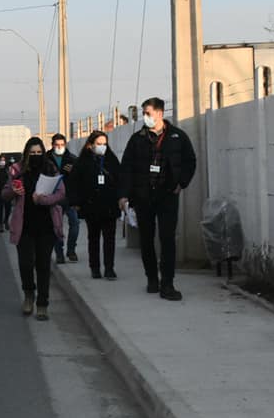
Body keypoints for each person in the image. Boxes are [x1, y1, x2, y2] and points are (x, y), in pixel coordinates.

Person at [118, 97, 197, 301]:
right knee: (146, 238)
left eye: (148, 113)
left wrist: (182, 183)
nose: (145, 117)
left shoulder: (177, 137)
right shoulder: (137, 139)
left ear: (160, 114)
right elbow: (126, 167)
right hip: (143, 196)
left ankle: (167, 283)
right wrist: (124, 194)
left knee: (167, 238)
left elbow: (190, 161)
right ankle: (152, 278)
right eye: (144, 113)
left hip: (167, 196)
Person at [2, 137, 65, 321]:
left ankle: (42, 304)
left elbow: (61, 193)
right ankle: (29, 294)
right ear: (27, 152)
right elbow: (4, 194)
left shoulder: (51, 169)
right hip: (25, 226)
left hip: (46, 226)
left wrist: (42, 200)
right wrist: (14, 190)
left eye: (39, 152)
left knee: (43, 266)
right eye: (33, 152)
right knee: (25, 264)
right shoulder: (17, 170)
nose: (36, 156)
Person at [69, 131, 122, 280]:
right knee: (93, 238)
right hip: (91, 206)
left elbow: (120, 179)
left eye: (104, 144)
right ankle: (95, 268)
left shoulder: (111, 160)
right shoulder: (82, 162)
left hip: (110, 205)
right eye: (99, 144)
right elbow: (74, 183)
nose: (102, 147)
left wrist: (121, 198)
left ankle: (109, 268)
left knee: (109, 239)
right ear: (90, 145)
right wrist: (76, 202)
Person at [50, 133, 80, 264]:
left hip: (70, 198)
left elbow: (80, 177)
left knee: (75, 224)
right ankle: (59, 253)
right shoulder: (47, 159)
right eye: (57, 145)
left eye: (62, 145)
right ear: (52, 145)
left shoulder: (72, 159)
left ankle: (71, 250)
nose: (59, 147)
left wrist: (74, 171)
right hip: (54, 198)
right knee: (57, 227)